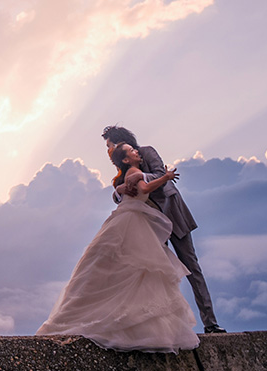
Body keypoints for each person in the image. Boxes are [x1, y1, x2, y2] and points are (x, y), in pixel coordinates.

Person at [35, 143, 199, 352]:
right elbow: (145, 189)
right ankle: (131, 325)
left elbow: (126, 190)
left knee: (120, 269)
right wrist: (165, 178)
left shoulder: (130, 174)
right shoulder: (134, 171)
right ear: (126, 159)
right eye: (132, 151)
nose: (137, 152)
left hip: (127, 219)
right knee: (138, 268)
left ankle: (94, 316)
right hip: (131, 222)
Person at [101, 125, 227, 334]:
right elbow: (120, 194)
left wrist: (140, 177)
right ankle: (169, 326)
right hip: (150, 224)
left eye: (109, 145)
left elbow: (160, 174)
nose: (107, 150)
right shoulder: (123, 167)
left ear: (120, 142)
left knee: (192, 268)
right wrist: (120, 189)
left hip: (174, 216)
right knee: (159, 273)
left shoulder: (146, 152)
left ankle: (210, 323)